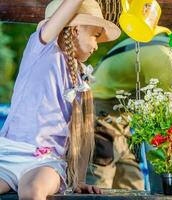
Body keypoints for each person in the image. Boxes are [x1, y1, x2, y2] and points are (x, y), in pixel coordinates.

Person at [0, 0, 121, 198]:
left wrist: (79, 180)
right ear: (74, 30)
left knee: (33, 190)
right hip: (8, 153)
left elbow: (81, 135)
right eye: (95, 36)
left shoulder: (81, 78)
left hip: (45, 161)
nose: (96, 46)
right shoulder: (43, 49)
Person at [86, 31, 172, 190]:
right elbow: (166, 123)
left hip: (123, 119)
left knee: (132, 183)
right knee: (99, 181)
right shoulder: (167, 57)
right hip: (99, 111)